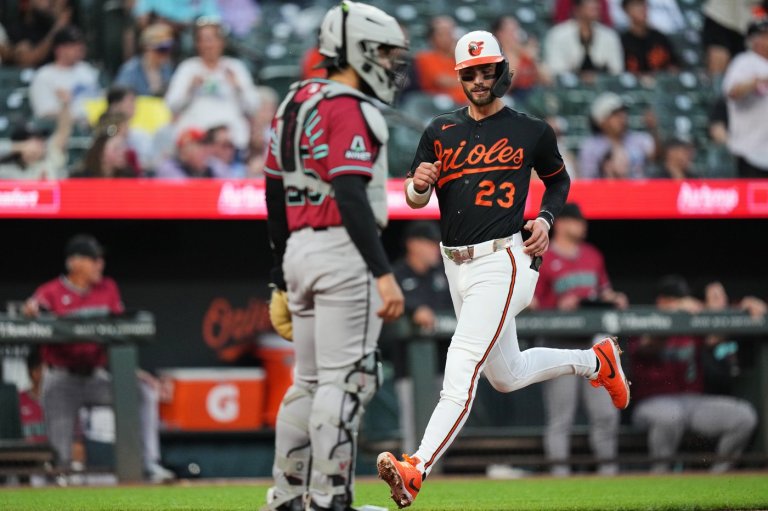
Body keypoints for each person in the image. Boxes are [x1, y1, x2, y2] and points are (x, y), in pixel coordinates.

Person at [376, 30, 630, 509]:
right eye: (469, 72)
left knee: (461, 360)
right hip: (456, 263)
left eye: (486, 70)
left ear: (500, 72)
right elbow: (413, 196)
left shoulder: (529, 130)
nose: (478, 79)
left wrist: (547, 219)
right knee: (506, 374)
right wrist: (418, 184)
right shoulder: (439, 130)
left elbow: (559, 181)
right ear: (459, 77)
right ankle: (596, 362)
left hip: (504, 258)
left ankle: (417, 467)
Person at [263, 1, 407, 508]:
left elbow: (274, 194)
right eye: (384, 52)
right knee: (346, 382)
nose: (390, 63)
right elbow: (349, 192)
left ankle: (287, 497)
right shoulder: (348, 105)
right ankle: (331, 500)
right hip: (342, 250)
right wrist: (383, 272)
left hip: (299, 249)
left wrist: (280, 275)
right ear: (359, 49)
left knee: (306, 382)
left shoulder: (293, 101)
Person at [21, 234, 174, 482]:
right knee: (61, 459)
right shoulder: (51, 291)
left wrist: (135, 373)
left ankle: (149, 464)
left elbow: (121, 332)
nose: (99, 264)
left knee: (142, 392)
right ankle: (59, 479)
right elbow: (33, 307)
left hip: (96, 377)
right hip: (62, 380)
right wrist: (31, 309)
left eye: (100, 259)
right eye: (93, 259)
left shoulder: (108, 288)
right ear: (74, 263)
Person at [531, 203, 627, 476]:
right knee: (561, 417)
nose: (582, 225)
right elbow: (531, 303)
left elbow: (603, 291)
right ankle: (560, 478)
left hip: (593, 345)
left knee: (605, 413)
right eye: (576, 221)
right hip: (558, 344)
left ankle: (609, 474)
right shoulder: (543, 255)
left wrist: (613, 298)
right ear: (561, 224)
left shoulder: (592, 255)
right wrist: (558, 305)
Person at [629, 275, 759, 473]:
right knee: (670, 416)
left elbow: (717, 334)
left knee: (743, 416)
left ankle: (717, 478)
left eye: (682, 299)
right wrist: (673, 314)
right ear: (661, 301)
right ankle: (659, 477)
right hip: (652, 403)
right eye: (674, 299)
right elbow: (647, 346)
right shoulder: (645, 321)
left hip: (693, 402)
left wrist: (745, 309)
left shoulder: (691, 323)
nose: (682, 304)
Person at [390, 221, 453, 455]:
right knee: (414, 428)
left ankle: (441, 473)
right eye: (429, 243)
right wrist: (413, 309)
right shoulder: (396, 274)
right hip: (409, 369)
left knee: (444, 428)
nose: (435, 249)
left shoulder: (442, 275)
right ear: (413, 245)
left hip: (444, 365)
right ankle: (412, 470)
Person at [164, 18, 260, 150]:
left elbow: (253, 107)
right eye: (203, 40)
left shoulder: (235, 67)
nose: (208, 45)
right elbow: (171, 105)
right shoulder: (188, 68)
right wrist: (190, 87)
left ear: (222, 42)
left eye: (212, 39)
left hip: (230, 136)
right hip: (196, 135)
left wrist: (238, 86)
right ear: (197, 44)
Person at [722, 16, 768, 177]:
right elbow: (733, 92)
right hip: (749, 151)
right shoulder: (744, 62)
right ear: (755, 40)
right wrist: (757, 81)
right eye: (765, 35)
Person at [28, 25, 100, 123]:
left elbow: (99, 100)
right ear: (59, 49)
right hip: (65, 129)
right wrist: (69, 110)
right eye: (72, 45)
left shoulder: (86, 70)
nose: (79, 48)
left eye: (80, 44)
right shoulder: (44, 76)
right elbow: (45, 115)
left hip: (95, 125)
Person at [578, 92, 655, 179]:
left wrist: (653, 129)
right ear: (601, 121)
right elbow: (588, 180)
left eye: (623, 112)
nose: (622, 117)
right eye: (615, 114)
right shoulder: (590, 147)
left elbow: (657, 158)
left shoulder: (639, 139)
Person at [0, 90, 72, 180]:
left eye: (38, 141)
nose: (34, 147)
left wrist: (65, 105)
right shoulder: (6, 169)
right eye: (30, 142)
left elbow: (63, 132)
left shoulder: (50, 160)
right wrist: (19, 147)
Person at [544, 0, 624, 81]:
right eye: (589, 3)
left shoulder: (610, 36)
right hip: (568, 85)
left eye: (596, 4)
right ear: (577, 9)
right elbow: (556, 69)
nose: (594, 7)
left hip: (604, 84)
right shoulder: (558, 34)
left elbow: (616, 70)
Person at [412, 16, 466, 105]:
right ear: (431, 38)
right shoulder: (425, 57)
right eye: (443, 33)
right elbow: (442, 81)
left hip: (465, 103)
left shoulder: (460, 57)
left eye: (451, 32)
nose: (449, 37)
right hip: (437, 105)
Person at [114, 22, 175, 97]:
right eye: (162, 49)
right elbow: (120, 98)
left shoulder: (167, 69)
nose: (166, 54)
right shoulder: (130, 70)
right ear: (147, 48)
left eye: (169, 49)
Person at [619, 0, 679, 75]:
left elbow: (675, 66)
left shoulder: (660, 38)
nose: (642, 9)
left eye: (643, 5)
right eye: (636, 5)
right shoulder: (622, 41)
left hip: (661, 80)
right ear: (626, 10)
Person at [9, 0, 74, 68]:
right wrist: (57, 28)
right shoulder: (17, 29)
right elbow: (27, 60)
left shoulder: (52, 25)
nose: (49, 2)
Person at [155, 127, 220, 178]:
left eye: (204, 146)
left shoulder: (211, 166)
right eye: (199, 146)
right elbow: (183, 188)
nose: (204, 152)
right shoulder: (169, 168)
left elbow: (224, 181)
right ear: (183, 151)